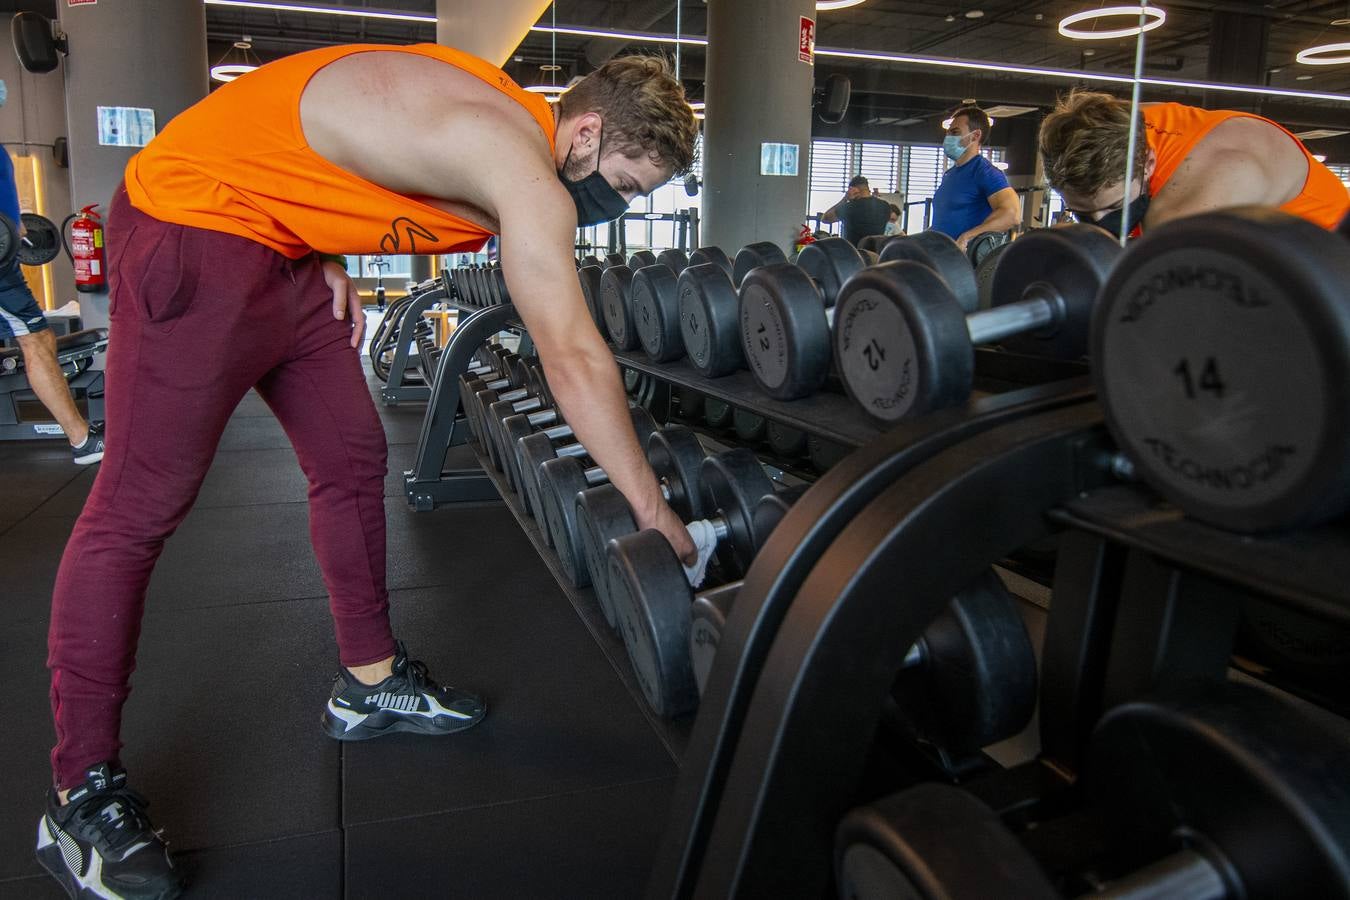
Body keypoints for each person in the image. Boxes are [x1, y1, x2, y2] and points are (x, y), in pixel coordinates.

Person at [36, 45, 698, 900]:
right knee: (137, 507)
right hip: (193, 224)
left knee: (351, 457)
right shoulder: (519, 163)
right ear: (587, 130)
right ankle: (77, 795)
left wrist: (327, 244)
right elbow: (568, 352)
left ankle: (369, 680)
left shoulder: (509, 117)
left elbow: (334, 136)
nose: (620, 204)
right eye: (627, 183)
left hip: (287, 248)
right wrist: (653, 511)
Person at [1038, 90, 1350, 235]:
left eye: (1115, 206)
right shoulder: (1115, 125)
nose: (1100, 222)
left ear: (1148, 163)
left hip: (1329, 273)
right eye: (1082, 212)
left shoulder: (1186, 206)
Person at [0, 149, 104, 464]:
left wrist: (17, 229)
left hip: (7, 256)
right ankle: (82, 440)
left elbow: (10, 217)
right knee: (35, 339)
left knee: (36, 339)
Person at [931, 107, 1021, 251]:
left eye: (955, 133)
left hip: (962, 265)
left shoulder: (985, 172)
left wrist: (967, 237)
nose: (948, 138)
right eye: (948, 133)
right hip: (940, 258)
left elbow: (1012, 214)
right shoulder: (950, 175)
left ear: (975, 136)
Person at [820, 175, 892, 246]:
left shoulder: (850, 207)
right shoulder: (885, 206)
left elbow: (825, 219)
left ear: (854, 189)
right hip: (877, 254)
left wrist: (845, 198)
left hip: (854, 253)